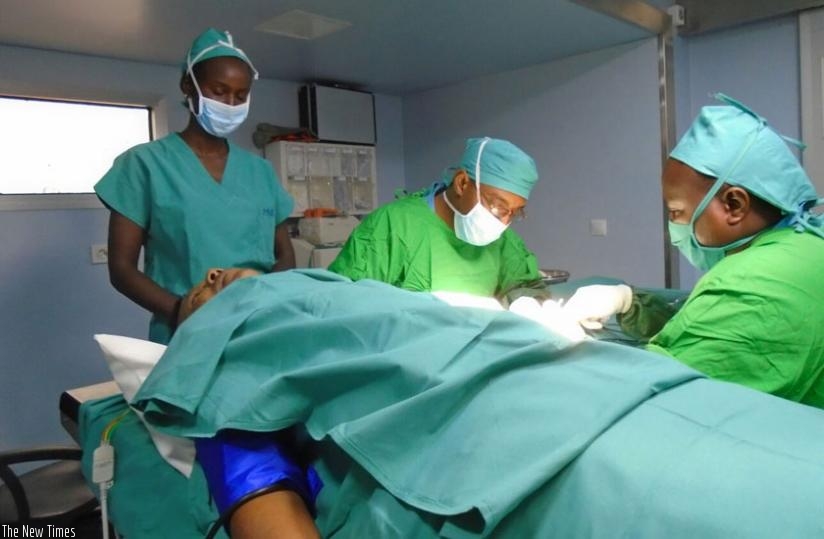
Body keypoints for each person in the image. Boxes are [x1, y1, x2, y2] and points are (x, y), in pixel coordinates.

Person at [563, 94, 824, 408]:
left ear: (734, 204)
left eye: (676, 212)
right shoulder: (805, 243)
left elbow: (653, 402)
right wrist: (629, 301)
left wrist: (565, 354)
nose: (674, 225)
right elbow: (702, 323)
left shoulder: (755, 283)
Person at [95, 28, 295, 344]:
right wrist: (184, 312)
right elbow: (121, 269)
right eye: (219, 90)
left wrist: (267, 305)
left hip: (258, 329)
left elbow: (284, 255)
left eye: (240, 96)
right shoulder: (145, 165)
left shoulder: (260, 171)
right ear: (189, 86)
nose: (231, 103)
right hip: (183, 334)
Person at [328, 137, 546, 302]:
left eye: (515, 212)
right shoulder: (392, 226)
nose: (504, 221)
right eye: (498, 206)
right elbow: (345, 304)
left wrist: (526, 305)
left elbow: (524, 284)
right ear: (462, 183)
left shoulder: (504, 241)